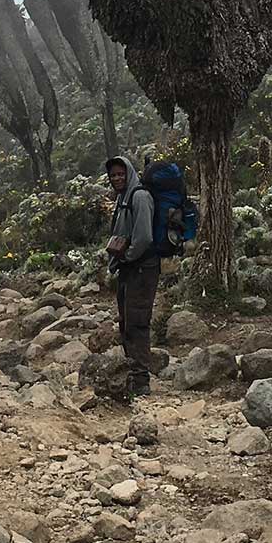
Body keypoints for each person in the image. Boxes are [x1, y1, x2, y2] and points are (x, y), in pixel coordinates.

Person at [105, 156, 158, 398]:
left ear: (129, 173)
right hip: (128, 268)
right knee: (126, 321)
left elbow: (144, 237)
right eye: (113, 175)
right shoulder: (122, 199)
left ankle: (141, 380)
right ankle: (131, 373)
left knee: (137, 322)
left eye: (120, 174)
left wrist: (128, 255)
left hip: (142, 268)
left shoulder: (139, 197)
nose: (117, 178)